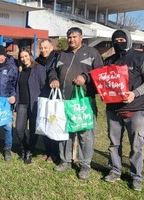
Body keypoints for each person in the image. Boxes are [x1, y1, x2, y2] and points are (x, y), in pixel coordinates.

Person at [49, 27, 103, 180]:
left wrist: (85, 77)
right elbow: (52, 70)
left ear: (81, 38)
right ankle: (65, 160)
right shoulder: (62, 55)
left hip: (83, 102)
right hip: (64, 101)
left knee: (85, 134)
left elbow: (100, 73)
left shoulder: (92, 53)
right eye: (69, 37)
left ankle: (85, 165)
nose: (71, 40)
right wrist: (53, 79)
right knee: (65, 132)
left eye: (74, 37)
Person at [103, 29, 144, 191]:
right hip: (113, 109)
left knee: (136, 145)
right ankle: (115, 170)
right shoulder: (109, 60)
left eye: (122, 38)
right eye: (115, 39)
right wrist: (103, 93)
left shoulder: (140, 57)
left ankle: (136, 176)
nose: (119, 42)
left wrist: (134, 94)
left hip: (135, 109)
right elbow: (104, 82)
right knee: (114, 144)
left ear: (128, 39)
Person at [15, 47, 47, 164]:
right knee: (19, 129)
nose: (24, 59)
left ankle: (29, 151)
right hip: (22, 104)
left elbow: (43, 85)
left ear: (30, 55)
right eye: (21, 57)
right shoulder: (20, 69)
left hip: (35, 103)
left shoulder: (39, 68)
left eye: (26, 56)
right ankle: (23, 148)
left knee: (33, 130)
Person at [35, 39, 59, 163]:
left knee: (53, 124)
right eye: (41, 48)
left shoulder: (57, 58)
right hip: (43, 95)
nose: (43, 50)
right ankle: (47, 149)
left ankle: (54, 152)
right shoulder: (37, 61)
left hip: (54, 96)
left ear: (51, 47)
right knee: (44, 123)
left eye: (46, 47)